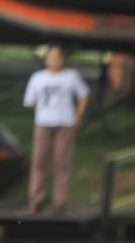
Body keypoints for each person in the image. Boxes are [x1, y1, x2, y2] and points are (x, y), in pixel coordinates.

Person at [22, 43, 89, 212]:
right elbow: (30, 102)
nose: (55, 60)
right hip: (43, 124)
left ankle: (60, 201)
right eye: (51, 57)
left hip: (65, 124)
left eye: (58, 56)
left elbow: (83, 95)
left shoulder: (71, 76)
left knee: (61, 163)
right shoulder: (38, 78)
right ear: (46, 60)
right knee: (39, 161)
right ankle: (36, 199)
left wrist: (78, 116)